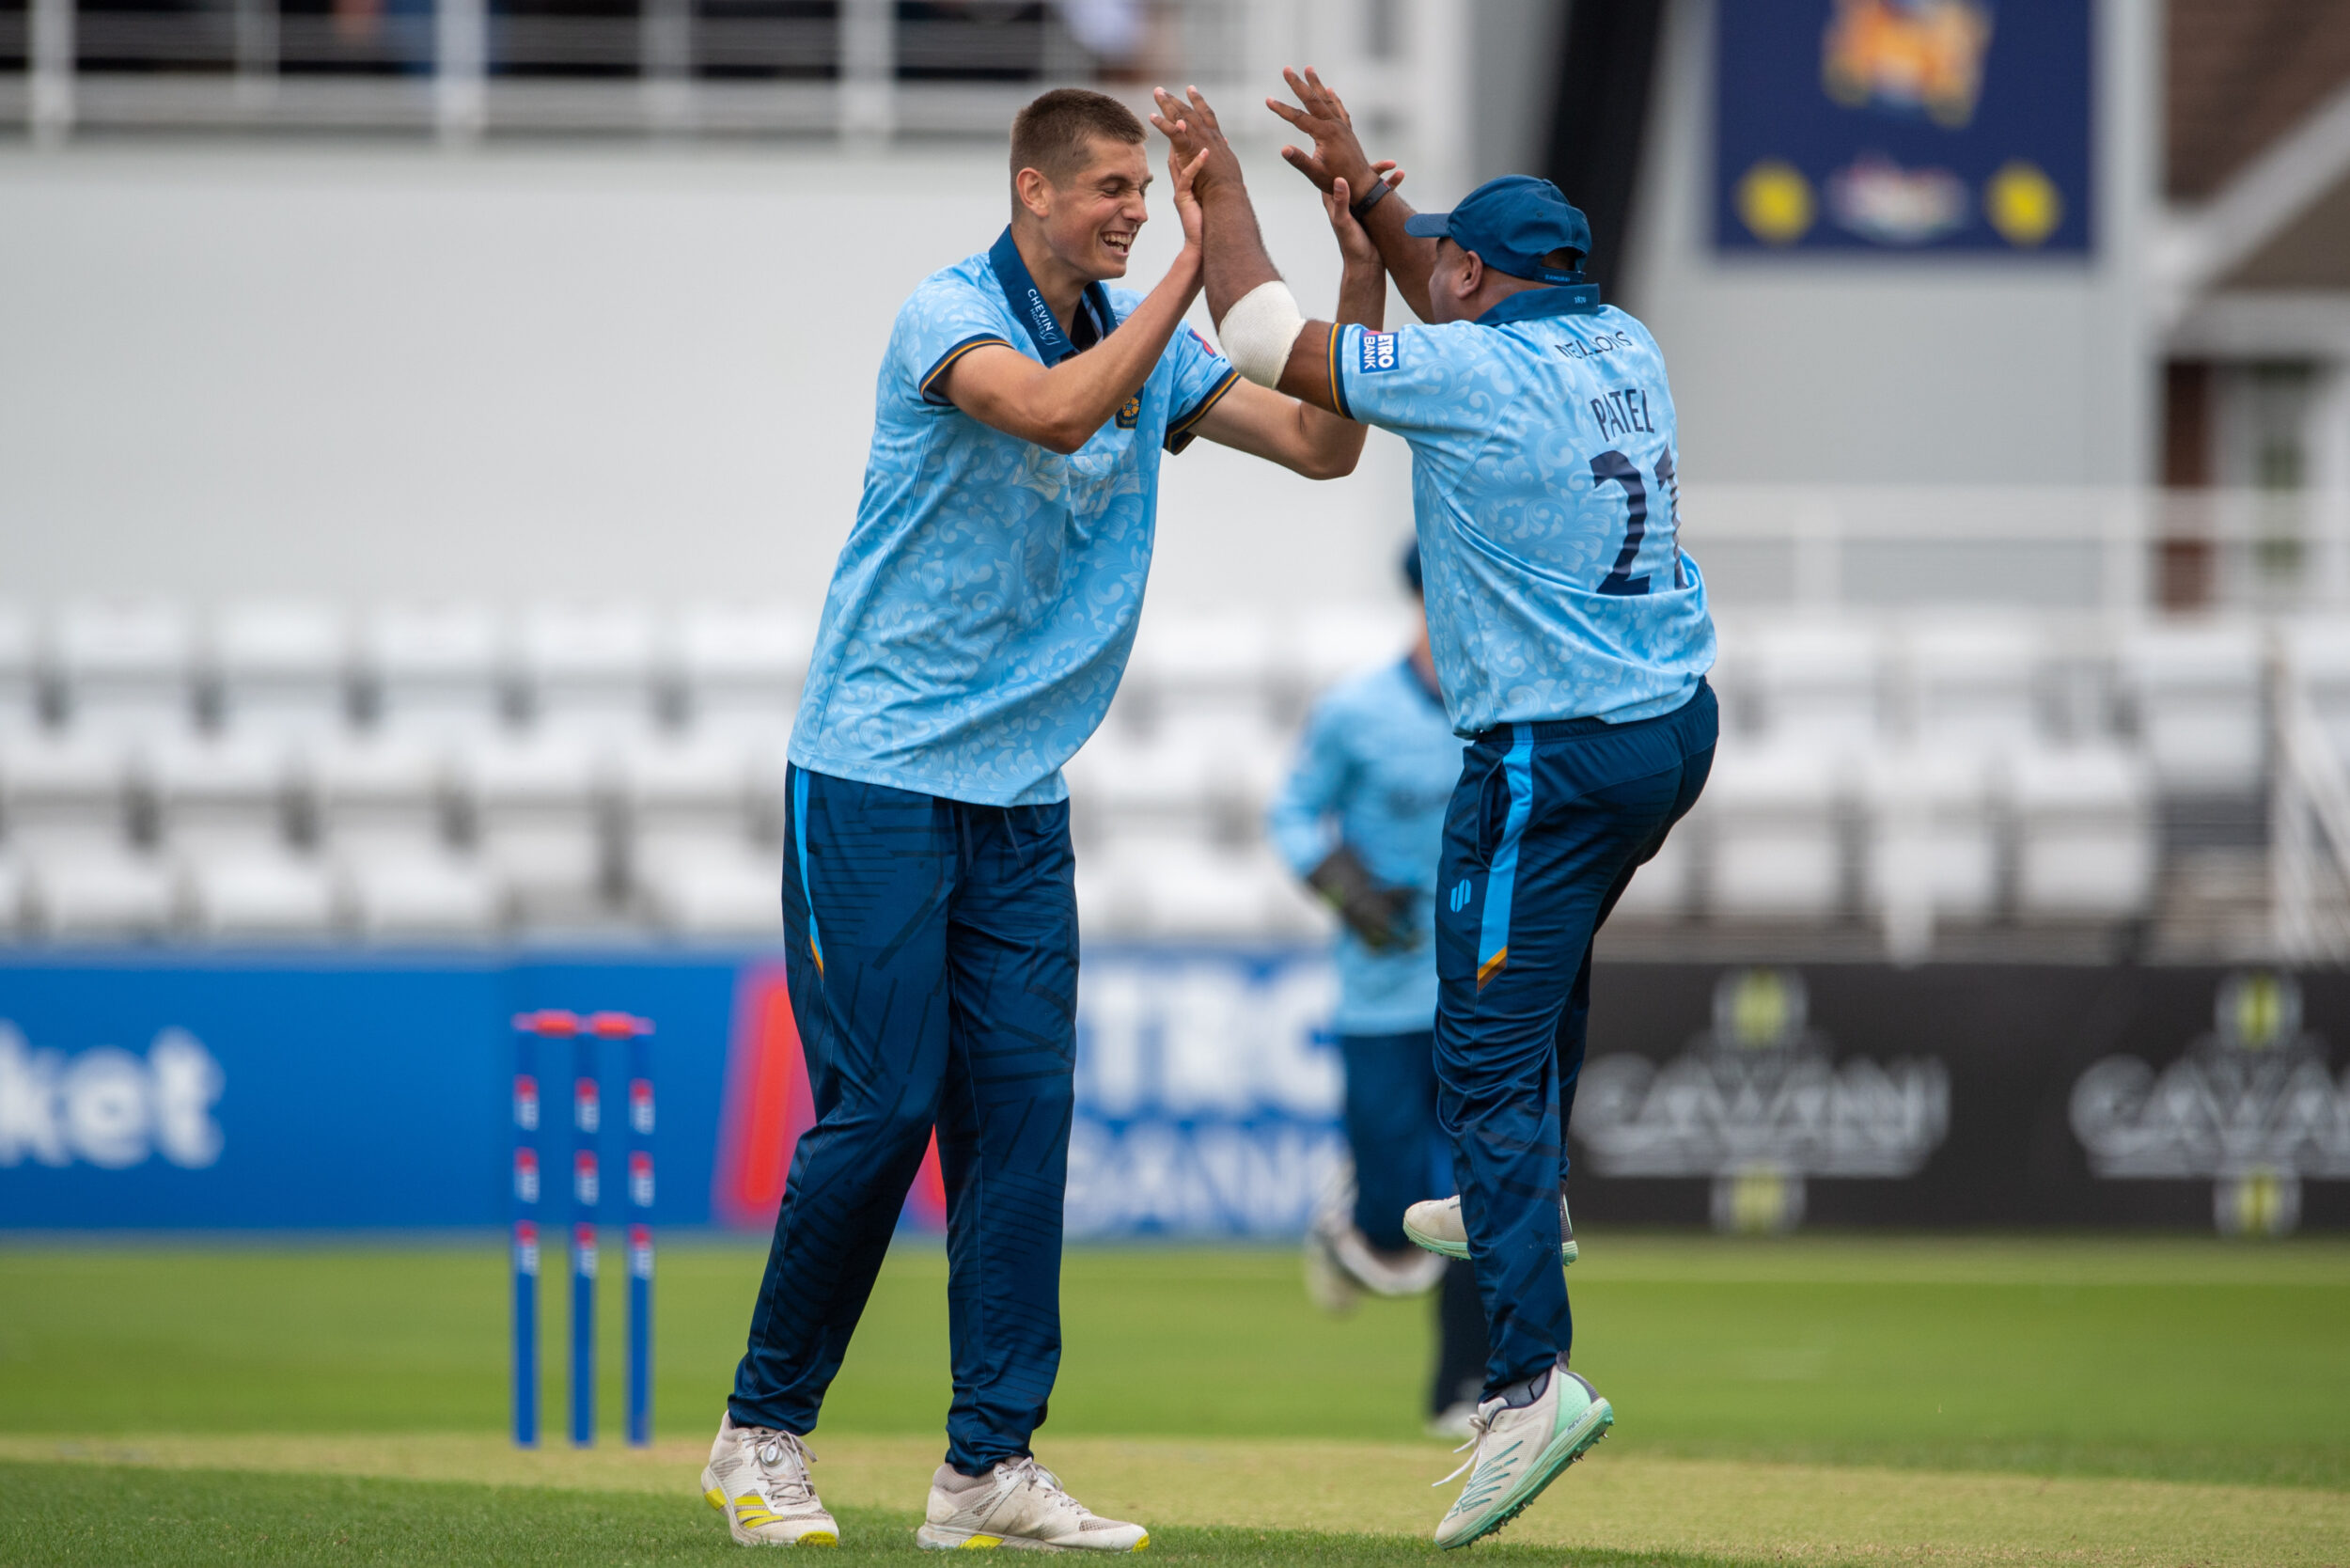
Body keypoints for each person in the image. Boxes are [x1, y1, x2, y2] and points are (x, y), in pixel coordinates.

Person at [700, 86, 1386, 1552]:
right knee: (884, 1110)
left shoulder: (1147, 338)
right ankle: (760, 1433)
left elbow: (1325, 448)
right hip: (878, 773)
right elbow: (1059, 408)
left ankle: (987, 1467)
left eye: (1148, 190)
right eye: (1113, 190)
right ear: (1033, 189)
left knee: (1018, 1126)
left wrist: (1356, 268)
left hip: (1019, 798)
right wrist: (1198, 260)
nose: (1135, 211)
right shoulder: (948, 315)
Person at [1152, 71, 1717, 1548]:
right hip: (1669, 727)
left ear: (1472, 277)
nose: (1432, 268)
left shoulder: (1474, 377)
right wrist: (1373, 196)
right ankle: (1523, 1187)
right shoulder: (1623, 342)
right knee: (1539, 995)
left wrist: (1225, 190)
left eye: (1447, 256)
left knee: (1475, 1053)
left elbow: (1262, 339)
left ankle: (1528, 1384)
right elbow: (1446, 294)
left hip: (1552, 748)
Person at [1266, 542, 1490, 1439]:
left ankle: (1466, 1387)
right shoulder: (1357, 711)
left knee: (1484, 1182)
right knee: (1398, 1215)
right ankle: (1353, 1216)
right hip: (1381, 991)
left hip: (1484, 991)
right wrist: (1339, 883)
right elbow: (1290, 812)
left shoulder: (1507, 710)